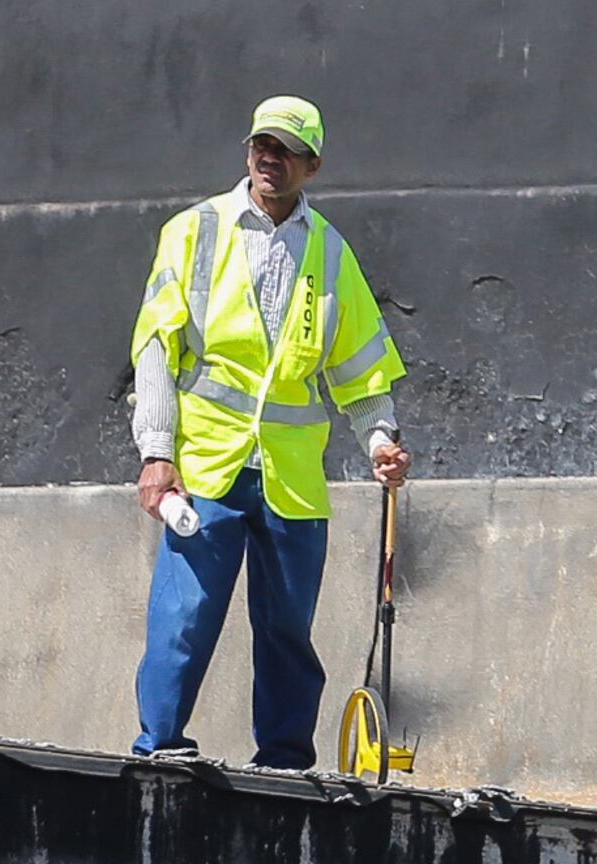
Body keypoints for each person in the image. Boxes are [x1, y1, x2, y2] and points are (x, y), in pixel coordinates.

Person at [127, 95, 413, 766]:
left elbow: (360, 368)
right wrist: (157, 453)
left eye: (284, 149)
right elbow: (156, 348)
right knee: (185, 619)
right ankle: (159, 749)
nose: (268, 156)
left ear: (311, 165)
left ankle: (284, 763)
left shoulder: (330, 252)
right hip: (206, 468)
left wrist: (380, 441)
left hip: (291, 476)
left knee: (287, 629)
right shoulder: (194, 232)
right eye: (261, 143)